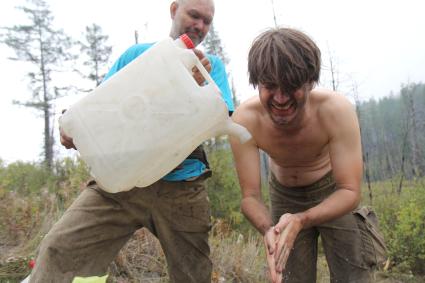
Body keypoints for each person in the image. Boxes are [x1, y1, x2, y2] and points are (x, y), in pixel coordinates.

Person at [30, 0, 234, 282]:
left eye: (206, 21)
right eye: (194, 15)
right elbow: (100, 108)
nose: (199, 25)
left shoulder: (210, 68)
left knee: (193, 275)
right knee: (59, 249)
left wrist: (197, 87)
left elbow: (219, 118)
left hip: (182, 188)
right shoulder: (136, 55)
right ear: (174, 10)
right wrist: (72, 125)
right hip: (119, 181)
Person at [230, 27, 385, 282]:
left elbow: (350, 191)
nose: (280, 98)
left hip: (333, 190)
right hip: (284, 194)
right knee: (292, 277)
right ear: (257, 83)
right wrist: (269, 229)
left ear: (310, 82)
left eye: (291, 86)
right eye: (270, 86)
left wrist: (303, 219)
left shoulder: (335, 111)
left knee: (353, 275)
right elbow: (250, 197)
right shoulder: (245, 120)